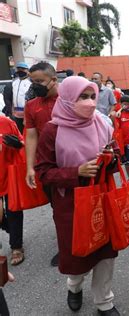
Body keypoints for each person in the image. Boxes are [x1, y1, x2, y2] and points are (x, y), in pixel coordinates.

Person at [35, 76, 121, 316]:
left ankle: (104, 302)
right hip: (71, 204)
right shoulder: (53, 130)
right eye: (82, 97)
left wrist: (111, 159)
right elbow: (43, 172)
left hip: (103, 196)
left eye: (92, 96)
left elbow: (116, 155)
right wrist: (77, 172)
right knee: (78, 255)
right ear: (67, 98)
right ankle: (74, 286)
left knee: (106, 254)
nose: (90, 102)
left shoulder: (103, 123)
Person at [24, 62, 60, 267]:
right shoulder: (32, 105)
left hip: (72, 161)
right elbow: (31, 136)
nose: (35, 85)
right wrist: (30, 166)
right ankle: (66, 245)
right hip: (47, 165)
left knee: (79, 202)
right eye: (33, 81)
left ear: (53, 80)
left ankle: (87, 238)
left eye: (40, 81)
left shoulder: (70, 99)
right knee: (57, 206)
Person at [0, 115, 25, 266]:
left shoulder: (6, 122)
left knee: (13, 209)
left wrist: (18, 144)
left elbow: (22, 142)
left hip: (8, 174)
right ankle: (12, 230)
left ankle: (16, 246)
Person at [10, 62, 32, 133]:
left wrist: (26, 116)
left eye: (23, 69)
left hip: (27, 114)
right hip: (16, 114)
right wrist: (12, 111)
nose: (20, 71)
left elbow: (30, 100)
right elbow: (13, 97)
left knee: (27, 133)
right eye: (19, 69)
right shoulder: (14, 83)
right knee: (19, 133)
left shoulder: (30, 83)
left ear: (27, 70)